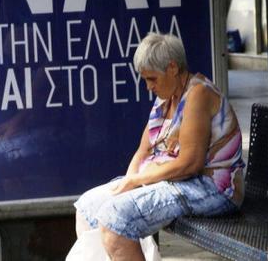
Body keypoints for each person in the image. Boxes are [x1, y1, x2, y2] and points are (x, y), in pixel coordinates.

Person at [73, 32, 245, 261]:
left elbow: (190, 164)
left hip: (212, 188)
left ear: (172, 68)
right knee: (87, 207)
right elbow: (143, 150)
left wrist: (137, 182)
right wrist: (129, 180)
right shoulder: (166, 96)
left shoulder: (198, 94)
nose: (148, 86)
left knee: (117, 219)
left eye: (151, 79)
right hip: (174, 181)